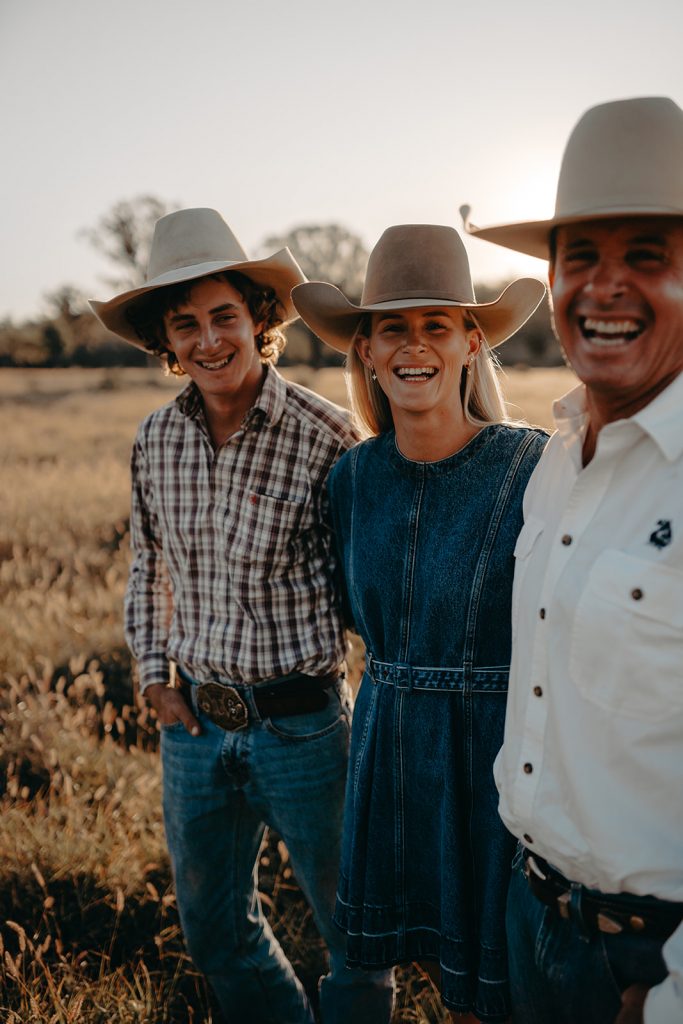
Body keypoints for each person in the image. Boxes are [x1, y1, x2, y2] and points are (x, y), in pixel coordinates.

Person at [89, 207, 394, 1024]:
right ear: (166, 340)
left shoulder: (327, 437)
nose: (207, 339)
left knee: (353, 937)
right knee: (215, 930)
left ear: (259, 320)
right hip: (194, 728)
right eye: (184, 324)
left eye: (223, 315)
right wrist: (155, 680)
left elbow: (373, 593)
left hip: (303, 730)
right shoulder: (155, 439)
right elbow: (148, 563)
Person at [462, 96, 683, 1024]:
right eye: (578, 256)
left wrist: (666, 997)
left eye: (646, 255)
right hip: (529, 915)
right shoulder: (554, 453)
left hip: (644, 961)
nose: (604, 286)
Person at [291, 224, 547, 1023]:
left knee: (495, 990)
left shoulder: (531, 466)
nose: (413, 345)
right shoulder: (354, 478)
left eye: (436, 325)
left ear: (471, 343)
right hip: (392, 743)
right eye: (391, 327)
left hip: (497, 755)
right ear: (364, 351)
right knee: (433, 979)